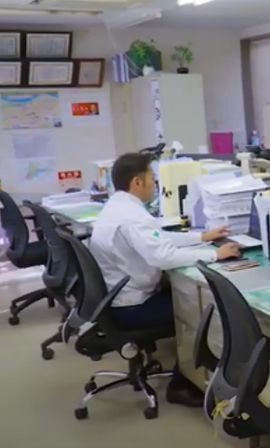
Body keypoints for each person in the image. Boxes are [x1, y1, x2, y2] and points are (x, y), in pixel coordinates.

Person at [89, 152, 242, 407]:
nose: (155, 184)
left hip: (120, 298)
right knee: (204, 312)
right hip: (132, 306)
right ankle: (180, 386)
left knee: (188, 297)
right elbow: (163, 256)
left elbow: (157, 238)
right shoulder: (132, 217)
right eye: (152, 178)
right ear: (137, 182)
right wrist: (215, 254)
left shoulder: (118, 208)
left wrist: (201, 237)